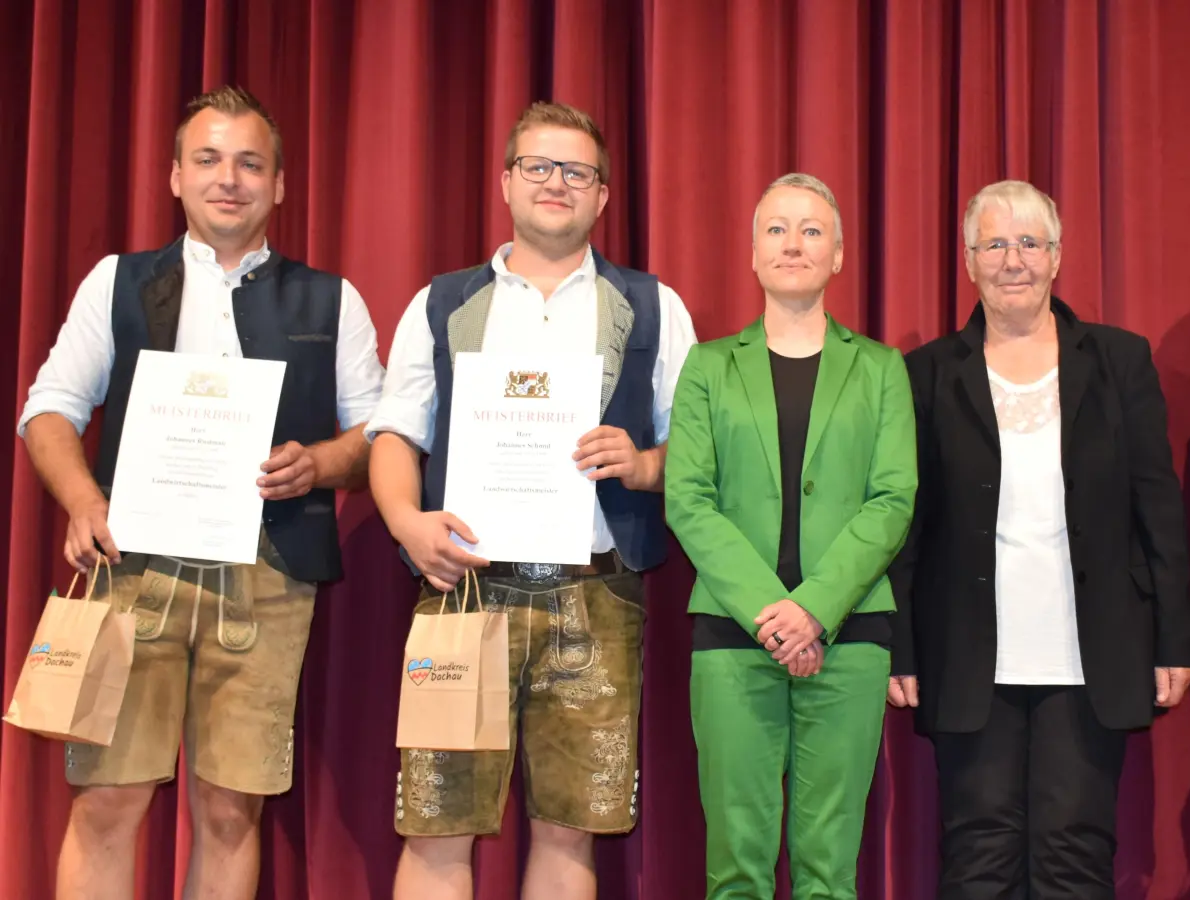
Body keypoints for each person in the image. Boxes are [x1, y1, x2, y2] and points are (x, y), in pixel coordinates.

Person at [16, 85, 385, 898]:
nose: (230, 178)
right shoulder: (116, 283)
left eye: (251, 163)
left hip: (268, 571)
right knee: (108, 800)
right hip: (131, 566)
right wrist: (83, 500)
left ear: (280, 184)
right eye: (209, 159)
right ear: (175, 177)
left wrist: (319, 465)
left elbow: (379, 437)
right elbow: (48, 409)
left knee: (229, 813)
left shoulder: (335, 300)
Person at [367, 101, 698, 900]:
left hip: (597, 592)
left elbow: (696, 450)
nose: (557, 184)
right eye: (540, 167)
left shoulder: (653, 306)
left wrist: (644, 463)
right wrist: (409, 525)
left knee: (568, 829)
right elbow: (393, 436)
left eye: (576, 171)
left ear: (603, 195)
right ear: (508, 181)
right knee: (438, 821)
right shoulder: (442, 302)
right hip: (463, 590)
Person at [888, 180, 1190, 899]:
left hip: (1090, 652)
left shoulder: (1120, 361)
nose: (1013, 259)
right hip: (967, 655)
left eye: (1030, 242)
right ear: (969, 261)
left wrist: (1175, 640)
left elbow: (1159, 507)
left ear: (1057, 257)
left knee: (1075, 856)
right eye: (994, 244)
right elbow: (906, 524)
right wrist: (898, 645)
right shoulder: (926, 374)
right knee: (977, 857)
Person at [664, 173, 917, 898]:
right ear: (752, 253)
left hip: (850, 635)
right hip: (731, 637)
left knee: (829, 872)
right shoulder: (709, 368)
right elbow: (688, 499)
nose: (794, 243)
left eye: (812, 230)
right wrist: (771, 613)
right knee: (736, 867)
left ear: (838, 256)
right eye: (777, 228)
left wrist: (814, 609)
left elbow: (892, 499)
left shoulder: (880, 369)